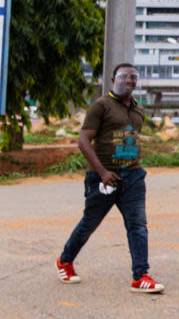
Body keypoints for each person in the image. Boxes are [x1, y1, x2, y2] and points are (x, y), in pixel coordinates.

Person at [56, 63, 164, 293]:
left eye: (133, 77)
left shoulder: (138, 109)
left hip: (133, 176)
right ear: (113, 79)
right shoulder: (101, 106)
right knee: (89, 224)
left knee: (138, 225)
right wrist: (103, 172)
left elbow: (129, 138)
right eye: (124, 77)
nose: (129, 81)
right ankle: (65, 261)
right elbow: (83, 141)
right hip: (103, 177)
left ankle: (140, 276)